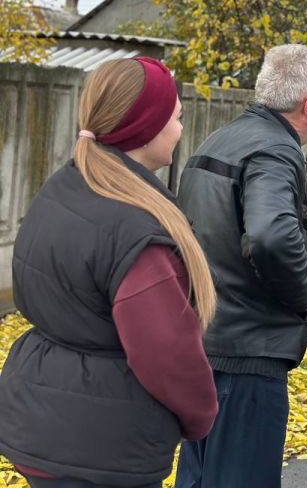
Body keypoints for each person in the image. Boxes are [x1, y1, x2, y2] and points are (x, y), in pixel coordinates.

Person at [0, 57, 218, 487]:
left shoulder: (63, 187)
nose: (179, 127)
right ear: (146, 126)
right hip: (101, 444)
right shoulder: (135, 228)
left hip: (42, 419)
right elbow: (166, 354)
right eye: (175, 117)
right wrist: (201, 415)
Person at [173, 45, 307, 488]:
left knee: (199, 477)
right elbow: (270, 236)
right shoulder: (276, 151)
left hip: (205, 338)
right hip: (248, 353)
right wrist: (306, 298)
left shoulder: (220, 139)